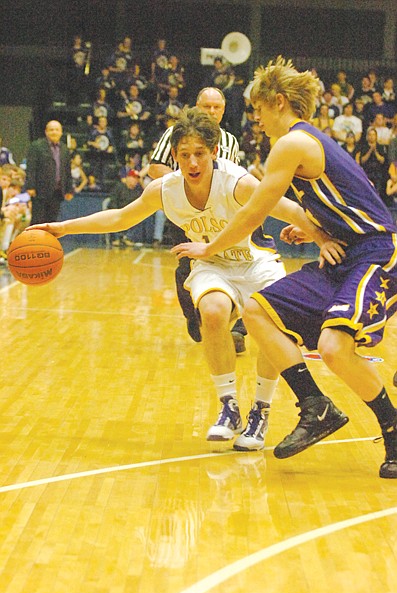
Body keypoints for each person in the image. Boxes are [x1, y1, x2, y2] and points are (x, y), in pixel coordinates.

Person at [27, 108, 320, 451]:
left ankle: (261, 409)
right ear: (175, 156)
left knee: (271, 325)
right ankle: (229, 407)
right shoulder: (165, 189)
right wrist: (63, 228)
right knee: (211, 313)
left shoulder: (238, 182)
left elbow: (286, 208)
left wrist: (321, 235)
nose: (192, 162)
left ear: (213, 152)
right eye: (184, 155)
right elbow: (121, 217)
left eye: (199, 154)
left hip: (255, 262)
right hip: (212, 262)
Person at [171, 58, 397, 479]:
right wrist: (314, 231)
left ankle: (393, 428)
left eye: (258, 110)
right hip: (343, 251)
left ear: (278, 102)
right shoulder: (304, 144)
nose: (255, 120)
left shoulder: (293, 142)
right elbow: (334, 202)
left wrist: (209, 248)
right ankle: (316, 407)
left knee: (333, 347)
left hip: (377, 251)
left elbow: (255, 211)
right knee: (257, 310)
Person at [148, 87, 243, 349]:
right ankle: (194, 317)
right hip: (186, 212)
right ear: (196, 107)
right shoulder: (176, 133)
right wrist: (183, 184)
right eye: (206, 106)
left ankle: (234, 327)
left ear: (223, 111)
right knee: (186, 267)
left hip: (222, 215)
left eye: (217, 107)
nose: (212, 112)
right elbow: (154, 166)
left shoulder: (231, 141)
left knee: (235, 262)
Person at [25, 120, 74, 224]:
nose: (54, 132)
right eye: (51, 130)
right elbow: (31, 168)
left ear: (61, 132)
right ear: (46, 132)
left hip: (57, 192)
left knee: (52, 222)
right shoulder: (36, 146)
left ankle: (48, 241)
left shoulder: (64, 149)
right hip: (40, 191)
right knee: (37, 221)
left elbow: (67, 170)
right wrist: (30, 186)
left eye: (57, 130)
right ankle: (34, 240)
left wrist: (69, 189)